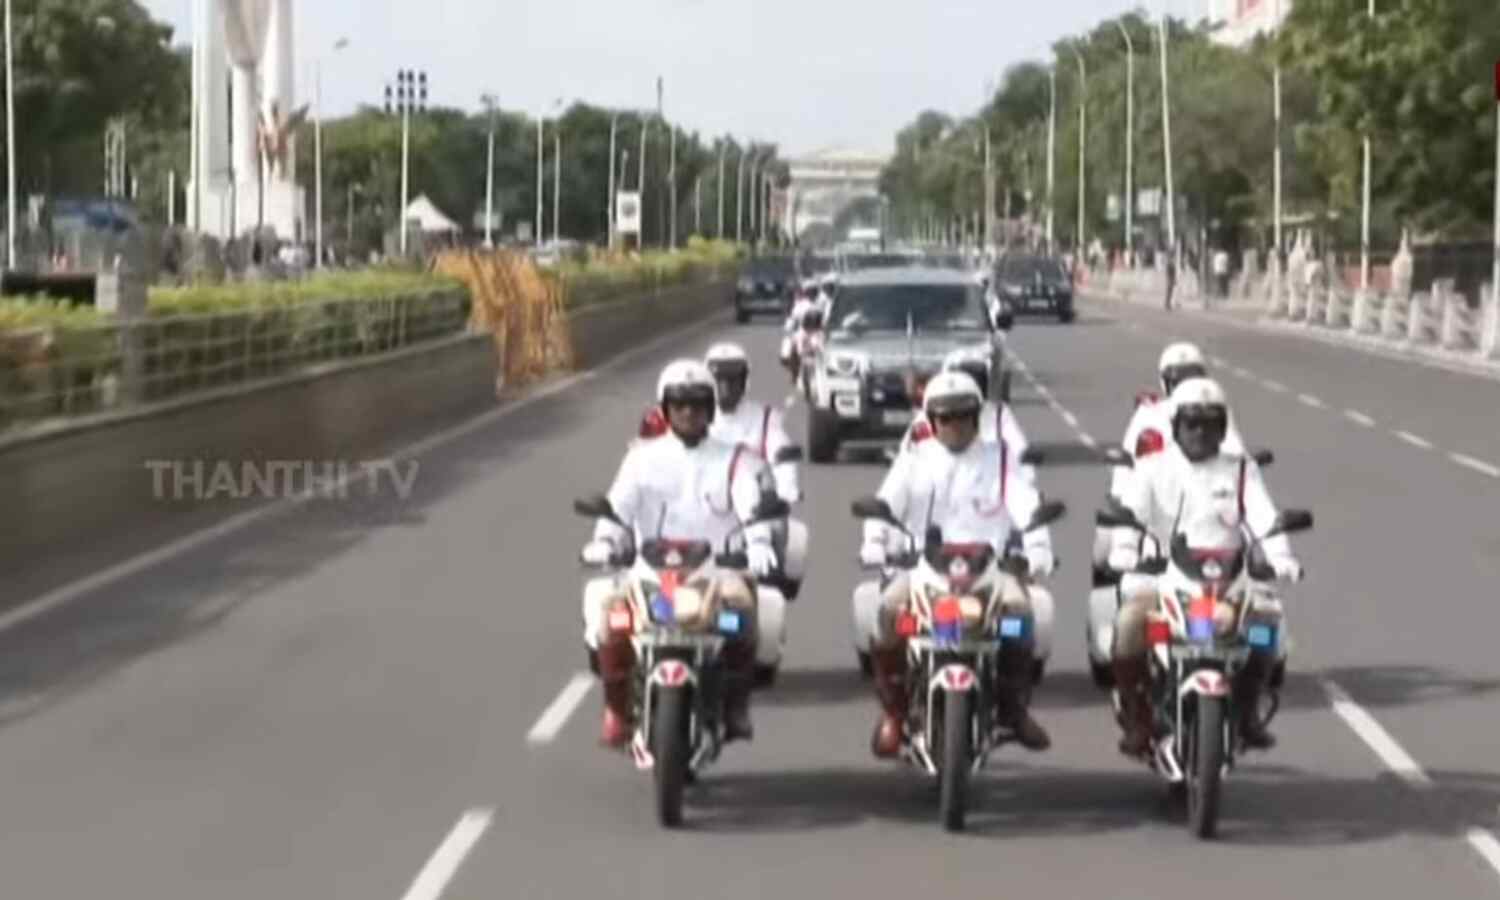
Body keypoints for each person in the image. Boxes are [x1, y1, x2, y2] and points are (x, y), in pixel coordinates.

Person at [855, 371, 1058, 757]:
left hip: (989, 574)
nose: (955, 425)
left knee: (1019, 619)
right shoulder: (914, 461)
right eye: (945, 418)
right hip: (923, 572)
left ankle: (1015, 710)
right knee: (887, 616)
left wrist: (1038, 547)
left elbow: (1027, 505)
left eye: (964, 415)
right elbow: (885, 504)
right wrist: (875, 542)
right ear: (932, 421)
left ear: (976, 417)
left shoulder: (999, 460)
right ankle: (895, 714)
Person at [580, 360, 781, 747]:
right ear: (665, 408)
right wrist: (605, 540)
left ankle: (736, 707)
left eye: (697, 403)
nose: (688, 412)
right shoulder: (641, 458)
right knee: (612, 619)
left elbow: (752, 505)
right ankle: (616, 711)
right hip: (649, 574)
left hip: (717, 574)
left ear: (710, 408)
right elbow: (618, 506)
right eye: (679, 404)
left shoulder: (736, 459)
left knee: (741, 615)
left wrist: (757, 543)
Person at [1105, 377, 1303, 756]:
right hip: (1162, 576)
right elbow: (1130, 513)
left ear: (1223, 428)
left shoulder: (1241, 470)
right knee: (1129, 624)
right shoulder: (1151, 467)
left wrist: (1281, 557)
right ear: (1176, 425)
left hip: (1228, 582)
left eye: (1210, 424)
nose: (1200, 432)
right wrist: (1126, 549)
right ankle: (1138, 716)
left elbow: (1263, 516)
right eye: (1192, 423)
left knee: (1265, 630)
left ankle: (1247, 711)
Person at [896, 349, 1029, 474]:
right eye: (945, 419)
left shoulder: (999, 414)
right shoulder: (928, 414)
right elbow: (907, 454)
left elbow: (1018, 448)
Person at [705, 342, 800, 504]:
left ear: (744, 381)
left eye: (732, 380)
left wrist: (787, 486)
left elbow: (780, 451)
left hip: (757, 506)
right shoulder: (693, 419)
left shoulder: (764, 417)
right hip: (706, 506)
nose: (725, 387)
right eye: (719, 380)